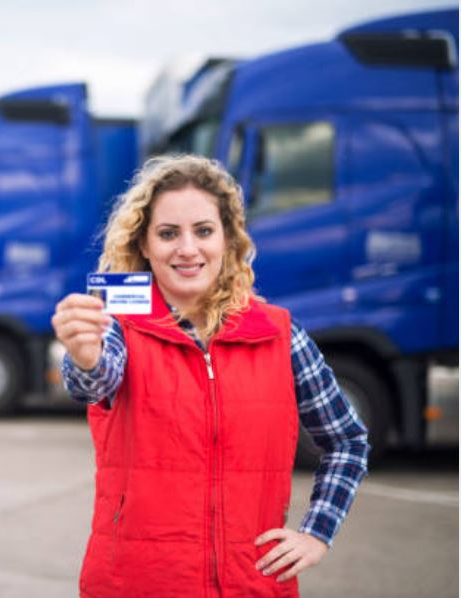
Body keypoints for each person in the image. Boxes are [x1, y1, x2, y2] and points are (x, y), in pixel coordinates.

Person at [52, 155, 369, 598]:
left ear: (227, 239)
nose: (187, 248)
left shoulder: (280, 334)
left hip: (251, 586)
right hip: (135, 584)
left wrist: (317, 532)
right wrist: (84, 356)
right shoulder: (119, 326)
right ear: (143, 244)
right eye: (167, 233)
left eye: (203, 231)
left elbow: (347, 441)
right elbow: (96, 381)